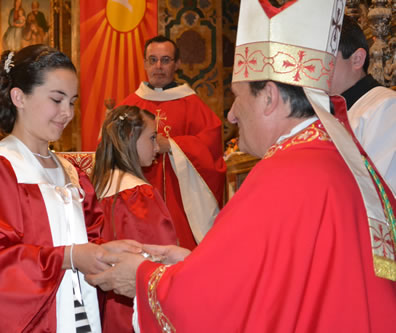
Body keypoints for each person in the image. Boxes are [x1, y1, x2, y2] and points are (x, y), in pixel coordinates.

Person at [87, 1, 396, 332]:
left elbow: (222, 305)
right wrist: (191, 264)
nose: (231, 115)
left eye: (238, 96)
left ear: (269, 97)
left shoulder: (285, 173)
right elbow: (272, 279)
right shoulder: (325, 156)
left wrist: (140, 277)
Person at [0, 44, 141, 332]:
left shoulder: (73, 174)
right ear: (19, 97)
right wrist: (70, 257)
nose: (67, 113)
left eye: (73, 101)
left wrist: (107, 252)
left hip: (82, 316)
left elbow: (86, 239)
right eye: (57, 99)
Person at [118, 35, 227, 250]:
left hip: (182, 201)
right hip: (140, 199)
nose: (158, 66)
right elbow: (111, 147)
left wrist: (173, 145)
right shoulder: (130, 105)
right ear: (144, 63)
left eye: (166, 60)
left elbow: (211, 145)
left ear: (177, 64)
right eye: (153, 59)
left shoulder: (192, 103)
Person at [92, 105, 177, 332]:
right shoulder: (139, 195)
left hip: (103, 307)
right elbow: (160, 257)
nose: (157, 146)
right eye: (151, 138)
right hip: (133, 308)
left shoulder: (98, 186)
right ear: (130, 138)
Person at [330, 15, 396, 194]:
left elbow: (379, 195)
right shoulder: (320, 113)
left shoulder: (385, 107)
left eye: (325, 59)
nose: (313, 69)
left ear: (357, 59)